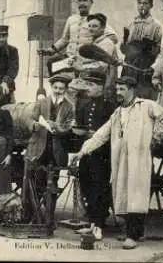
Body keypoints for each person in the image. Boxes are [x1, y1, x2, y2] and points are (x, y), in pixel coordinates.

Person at [71, 76, 163, 249]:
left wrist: (155, 136)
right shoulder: (118, 112)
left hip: (139, 158)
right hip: (121, 158)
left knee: (137, 194)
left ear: (131, 89)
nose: (118, 93)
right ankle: (132, 232)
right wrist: (83, 151)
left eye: (122, 89)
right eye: (117, 89)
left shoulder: (146, 106)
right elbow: (101, 135)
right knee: (124, 193)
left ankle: (133, 236)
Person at [69, 67, 115, 239]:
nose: (87, 88)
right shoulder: (84, 105)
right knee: (86, 185)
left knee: (99, 187)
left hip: (102, 155)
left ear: (101, 87)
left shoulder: (110, 106)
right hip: (86, 153)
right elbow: (79, 128)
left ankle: (99, 223)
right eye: (87, 84)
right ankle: (92, 222)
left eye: (91, 85)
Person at [24, 73, 75, 225]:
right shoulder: (42, 103)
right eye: (55, 87)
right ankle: (34, 216)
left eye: (61, 88)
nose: (58, 90)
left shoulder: (69, 106)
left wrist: (59, 128)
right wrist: (35, 125)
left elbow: (71, 125)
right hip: (40, 148)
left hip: (56, 150)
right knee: (37, 181)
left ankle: (49, 218)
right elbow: (30, 119)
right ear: (51, 88)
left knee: (53, 183)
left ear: (65, 90)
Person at [41, 0, 119, 76]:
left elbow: (114, 37)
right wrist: (50, 50)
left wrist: (95, 49)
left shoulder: (95, 20)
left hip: (85, 60)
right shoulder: (71, 19)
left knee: (78, 77)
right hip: (69, 58)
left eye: (85, 0)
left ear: (91, 3)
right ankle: (58, 87)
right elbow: (64, 40)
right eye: (79, 1)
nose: (82, 3)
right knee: (52, 64)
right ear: (76, 3)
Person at [122, 0, 162, 99]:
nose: (141, 6)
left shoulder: (156, 25)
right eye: (139, 3)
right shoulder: (130, 24)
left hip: (145, 68)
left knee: (143, 99)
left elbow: (159, 50)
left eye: (145, 3)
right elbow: (124, 48)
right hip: (129, 67)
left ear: (151, 6)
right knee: (127, 96)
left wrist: (153, 67)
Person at [0, 25, 19, 105]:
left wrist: (5, 82)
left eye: (4, 36)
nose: (1, 39)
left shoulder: (13, 50)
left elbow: (13, 69)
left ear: (7, 36)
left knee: (7, 112)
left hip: (7, 88)